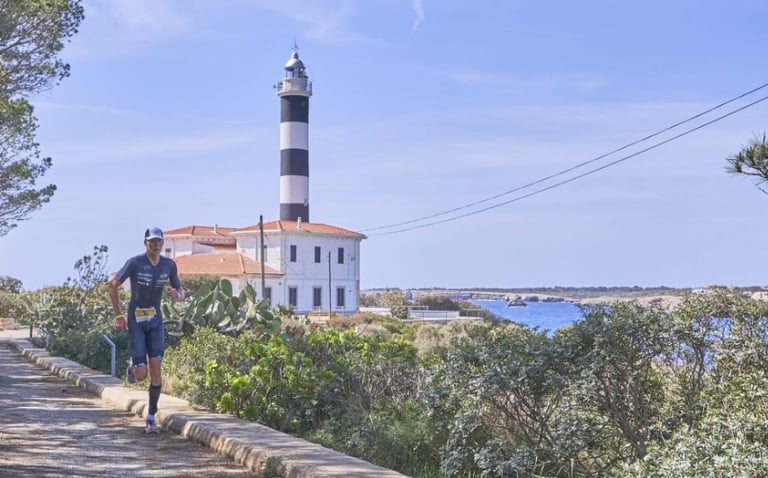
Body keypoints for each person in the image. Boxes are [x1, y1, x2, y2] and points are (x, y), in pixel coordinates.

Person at [109, 227, 184, 433]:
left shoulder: (169, 265)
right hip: (136, 321)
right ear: (145, 243)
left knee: (156, 366)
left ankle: (151, 416)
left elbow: (180, 291)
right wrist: (118, 315)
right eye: (152, 241)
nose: (156, 245)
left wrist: (177, 296)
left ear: (163, 243)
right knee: (141, 375)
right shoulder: (135, 263)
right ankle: (133, 367)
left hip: (156, 321)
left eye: (159, 241)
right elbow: (112, 285)